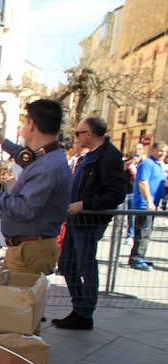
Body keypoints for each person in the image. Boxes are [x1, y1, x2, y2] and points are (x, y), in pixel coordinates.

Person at [0, 99, 71, 276]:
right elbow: (29, 159)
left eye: (25, 121)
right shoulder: (49, 158)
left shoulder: (47, 165)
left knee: (12, 301)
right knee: (4, 299)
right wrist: (3, 141)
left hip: (30, 250)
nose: (23, 125)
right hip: (26, 247)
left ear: (32, 124)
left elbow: (25, 208)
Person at [50, 117, 126, 330]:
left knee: (85, 265)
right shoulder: (89, 156)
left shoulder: (109, 156)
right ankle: (80, 308)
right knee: (67, 264)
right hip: (76, 219)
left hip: (88, 221)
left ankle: (85, 312)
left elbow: (116, 193)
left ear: (89, 134)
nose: (77, 136)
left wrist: (85, 204)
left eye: (78, 133)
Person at [128, 141, 166, 271]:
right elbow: (143, 182)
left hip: (152, 205)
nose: (162, 154)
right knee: (143, 231)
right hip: (144, 205)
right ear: (153, 150)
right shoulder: (147, 164)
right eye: (160, 150)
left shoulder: (158, 165)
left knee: (147, 231)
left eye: (165, 151)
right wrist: (149, 201)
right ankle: (136, 259)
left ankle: (140, 256)